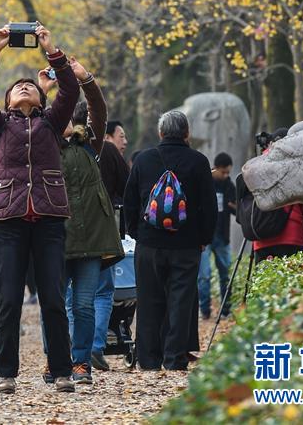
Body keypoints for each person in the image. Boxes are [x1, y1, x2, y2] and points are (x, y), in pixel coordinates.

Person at [0, 22, 80, 395]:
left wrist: (51, 49)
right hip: (7, 220)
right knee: (9, 298)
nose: (24, 88)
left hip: (48, 218)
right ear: (6, 102)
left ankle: (63, 372)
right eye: (17, 87)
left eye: (29, 85)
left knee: (52, 296)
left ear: (41, 98)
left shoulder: (52, 124)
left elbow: (71, 89)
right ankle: (5, 373)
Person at [39, 59, 124, 385]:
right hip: (54, 237)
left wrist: (85, 78)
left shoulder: (88, 143)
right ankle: (54, 360)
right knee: (54, 305)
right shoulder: (42, 146)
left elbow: (98, 110)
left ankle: (81, 363)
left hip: (89, 238)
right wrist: (44, 91)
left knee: (85, 305)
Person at [124, 109, 217, 371]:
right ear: (187, 133)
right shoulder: (198, 161)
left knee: (149, 299)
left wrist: (136, 232)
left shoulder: (143, 160)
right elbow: (209, 206)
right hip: (186, 244)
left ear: (160, 132)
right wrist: (204, 238)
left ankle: (148, 359)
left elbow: (130, 201)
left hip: (149, 243)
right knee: (181, 300)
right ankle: (174, 358)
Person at [93, 119, 130, 371]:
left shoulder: (58, 147)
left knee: (72, 293)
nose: (124, 142)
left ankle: (69, 351)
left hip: (69, 232)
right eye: (121, 136)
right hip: (104, 231)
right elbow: (128, 189)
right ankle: (96, 345)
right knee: (104, 291)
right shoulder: (109, 152)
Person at [252, 131, 303, 263]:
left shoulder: (256, 165)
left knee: (263, 280)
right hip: (292, 236)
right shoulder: (296, 165)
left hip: (261, 237)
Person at [198, 152, 236, 320]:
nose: (226, 175)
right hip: (205, 236)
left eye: (228, 172)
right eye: (223, 172)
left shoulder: (229, 186)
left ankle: (226, 310)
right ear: (216, 168)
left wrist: (233, 207)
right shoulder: (205, 182)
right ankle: (205, 310)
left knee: (225, 274)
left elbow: (237, 209)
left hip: (222, 237)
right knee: (204, 275)